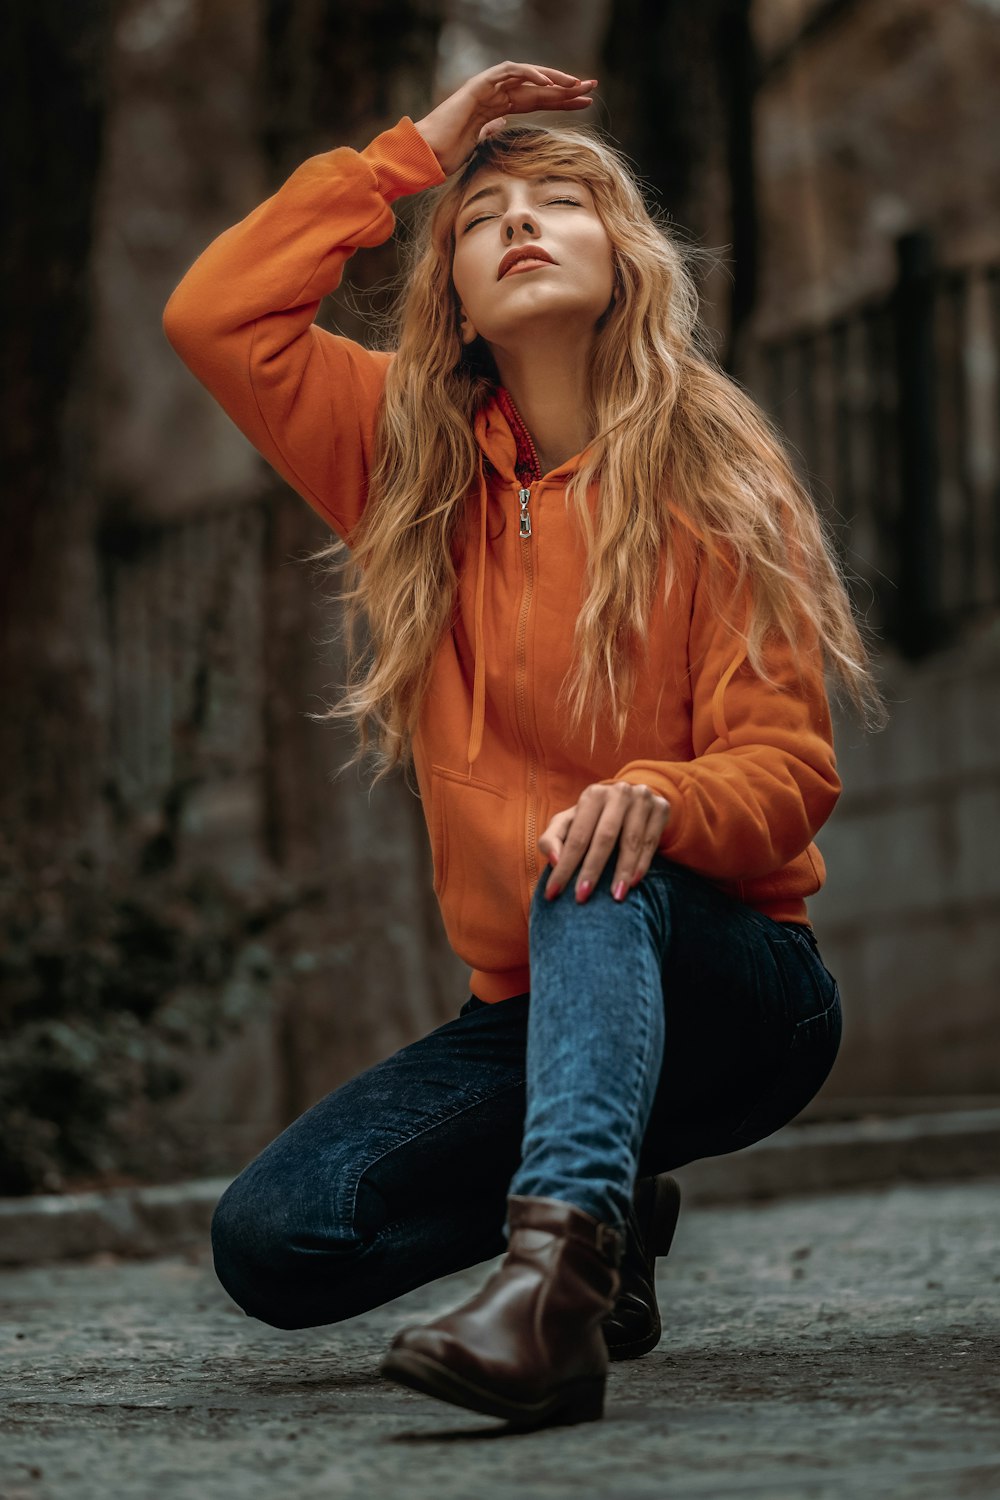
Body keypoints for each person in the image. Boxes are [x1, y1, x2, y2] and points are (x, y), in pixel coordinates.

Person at [163, 61, 886, 1430]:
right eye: (488, 214)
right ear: (456, 299)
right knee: (277, 1242)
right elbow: (215, 313)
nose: (520, 222)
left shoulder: (714, 473)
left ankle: (551, 1294)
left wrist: (659, 801)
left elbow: (791, 774)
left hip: (742, 993)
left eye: (563, 201)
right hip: (535, 1012)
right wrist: (419, 153)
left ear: (623, 260)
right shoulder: (403, 462)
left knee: (593, 865)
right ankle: (607, 1203)